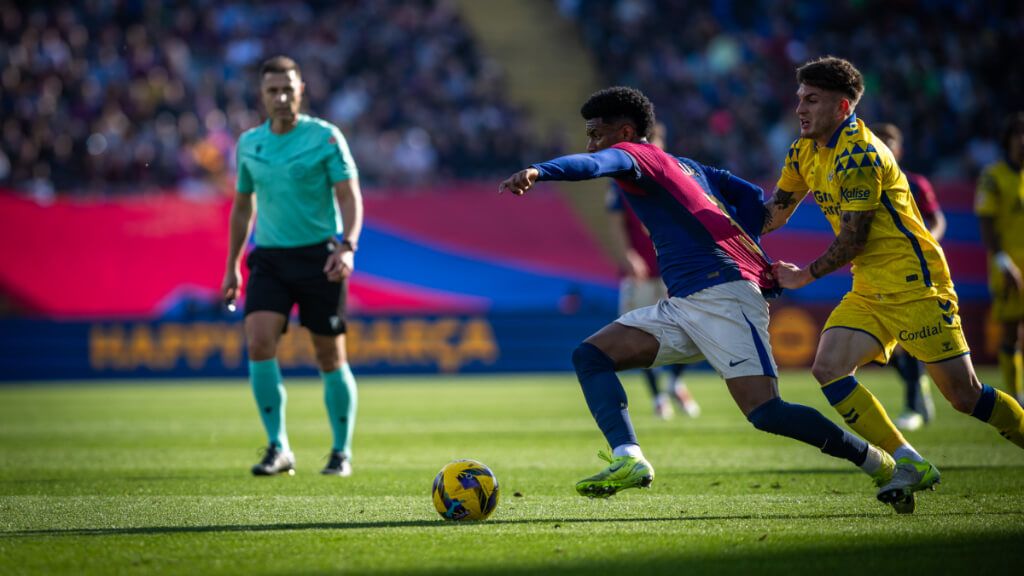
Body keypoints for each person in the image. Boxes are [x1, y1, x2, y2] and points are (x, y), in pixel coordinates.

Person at [499, 86, 898, 508]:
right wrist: (744, 244)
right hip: (685, 302)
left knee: (767, 413)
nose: (591, 143)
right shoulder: (688, 166)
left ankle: (879, 463)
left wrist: (540, 171)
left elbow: (598, 162)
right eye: (589, 135)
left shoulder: (639, 155)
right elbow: (749, 198)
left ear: (626, 131)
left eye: (597, 133)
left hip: (724, 296)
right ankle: (629, 457)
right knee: (591, 356)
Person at [764, 57, 1024, 509]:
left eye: (812, 100)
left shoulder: (861, 153)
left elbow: (853, 239)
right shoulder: (802, 151)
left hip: (915, 284)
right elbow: (774, 214)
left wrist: (802, 276)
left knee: (964, 397)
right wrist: (712, 216)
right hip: (870, 286)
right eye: (799, 99)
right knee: (828, 368)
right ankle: (909, 460)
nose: (800, 109)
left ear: (843, 106)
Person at [222, 56, 363, 477]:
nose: (281, 97)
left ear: (302, 89)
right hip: (270, 258)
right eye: (272, 90)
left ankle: (341, 452)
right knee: (258, 341)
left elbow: (350, 196)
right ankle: (278, 446)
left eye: (288, 89)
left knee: (328, 355)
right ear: (261, 95)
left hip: (322, 256)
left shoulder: (325, 137)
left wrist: (348, 246)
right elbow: (243, 206)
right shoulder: (249, 144)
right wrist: (232, 266)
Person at [606, 122, 700, 420]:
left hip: (674, 269)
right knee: (638, 335)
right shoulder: (623, 178)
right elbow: (616, 222)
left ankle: (675, 381)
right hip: (642, 272)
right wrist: (628, 255)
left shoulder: (675, 174)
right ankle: (658, 396)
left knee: (694, 329)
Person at [873, 122, 945, 431]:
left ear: (899, 149)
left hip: (915, 270)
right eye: (880, 141)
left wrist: (927, 241)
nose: (885, 145)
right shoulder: (867, 183)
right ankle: (920, 386)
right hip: (877, 273)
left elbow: (936, 219)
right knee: (886, 347)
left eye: (890, 141)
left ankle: (912, 405)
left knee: (910, 340)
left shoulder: (915, 183)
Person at [976, 112, 1024, 407]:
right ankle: (1016, 396)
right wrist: (1004, 262)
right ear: (1007, 140)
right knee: (1012, 331)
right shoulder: (993, 177)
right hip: (1010, 265)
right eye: (1018, 134)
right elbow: (986, 223)